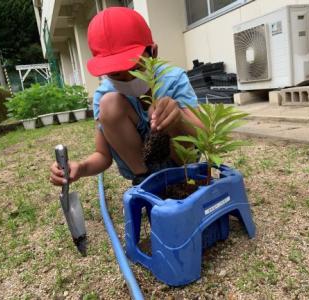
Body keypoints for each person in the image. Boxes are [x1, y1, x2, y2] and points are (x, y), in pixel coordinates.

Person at [49, 7, 202, 186]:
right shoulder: (104, 94)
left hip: (181, 164)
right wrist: (80, 167)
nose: (129, 79)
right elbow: (103, 155)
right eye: (116, 75)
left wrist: (179, 118)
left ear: (153, 52)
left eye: (136, 69)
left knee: (160, 107)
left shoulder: (172, 79)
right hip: (142, 168)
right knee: (109, 104)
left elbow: (204, 133)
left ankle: (178, 179)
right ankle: (147, 181)